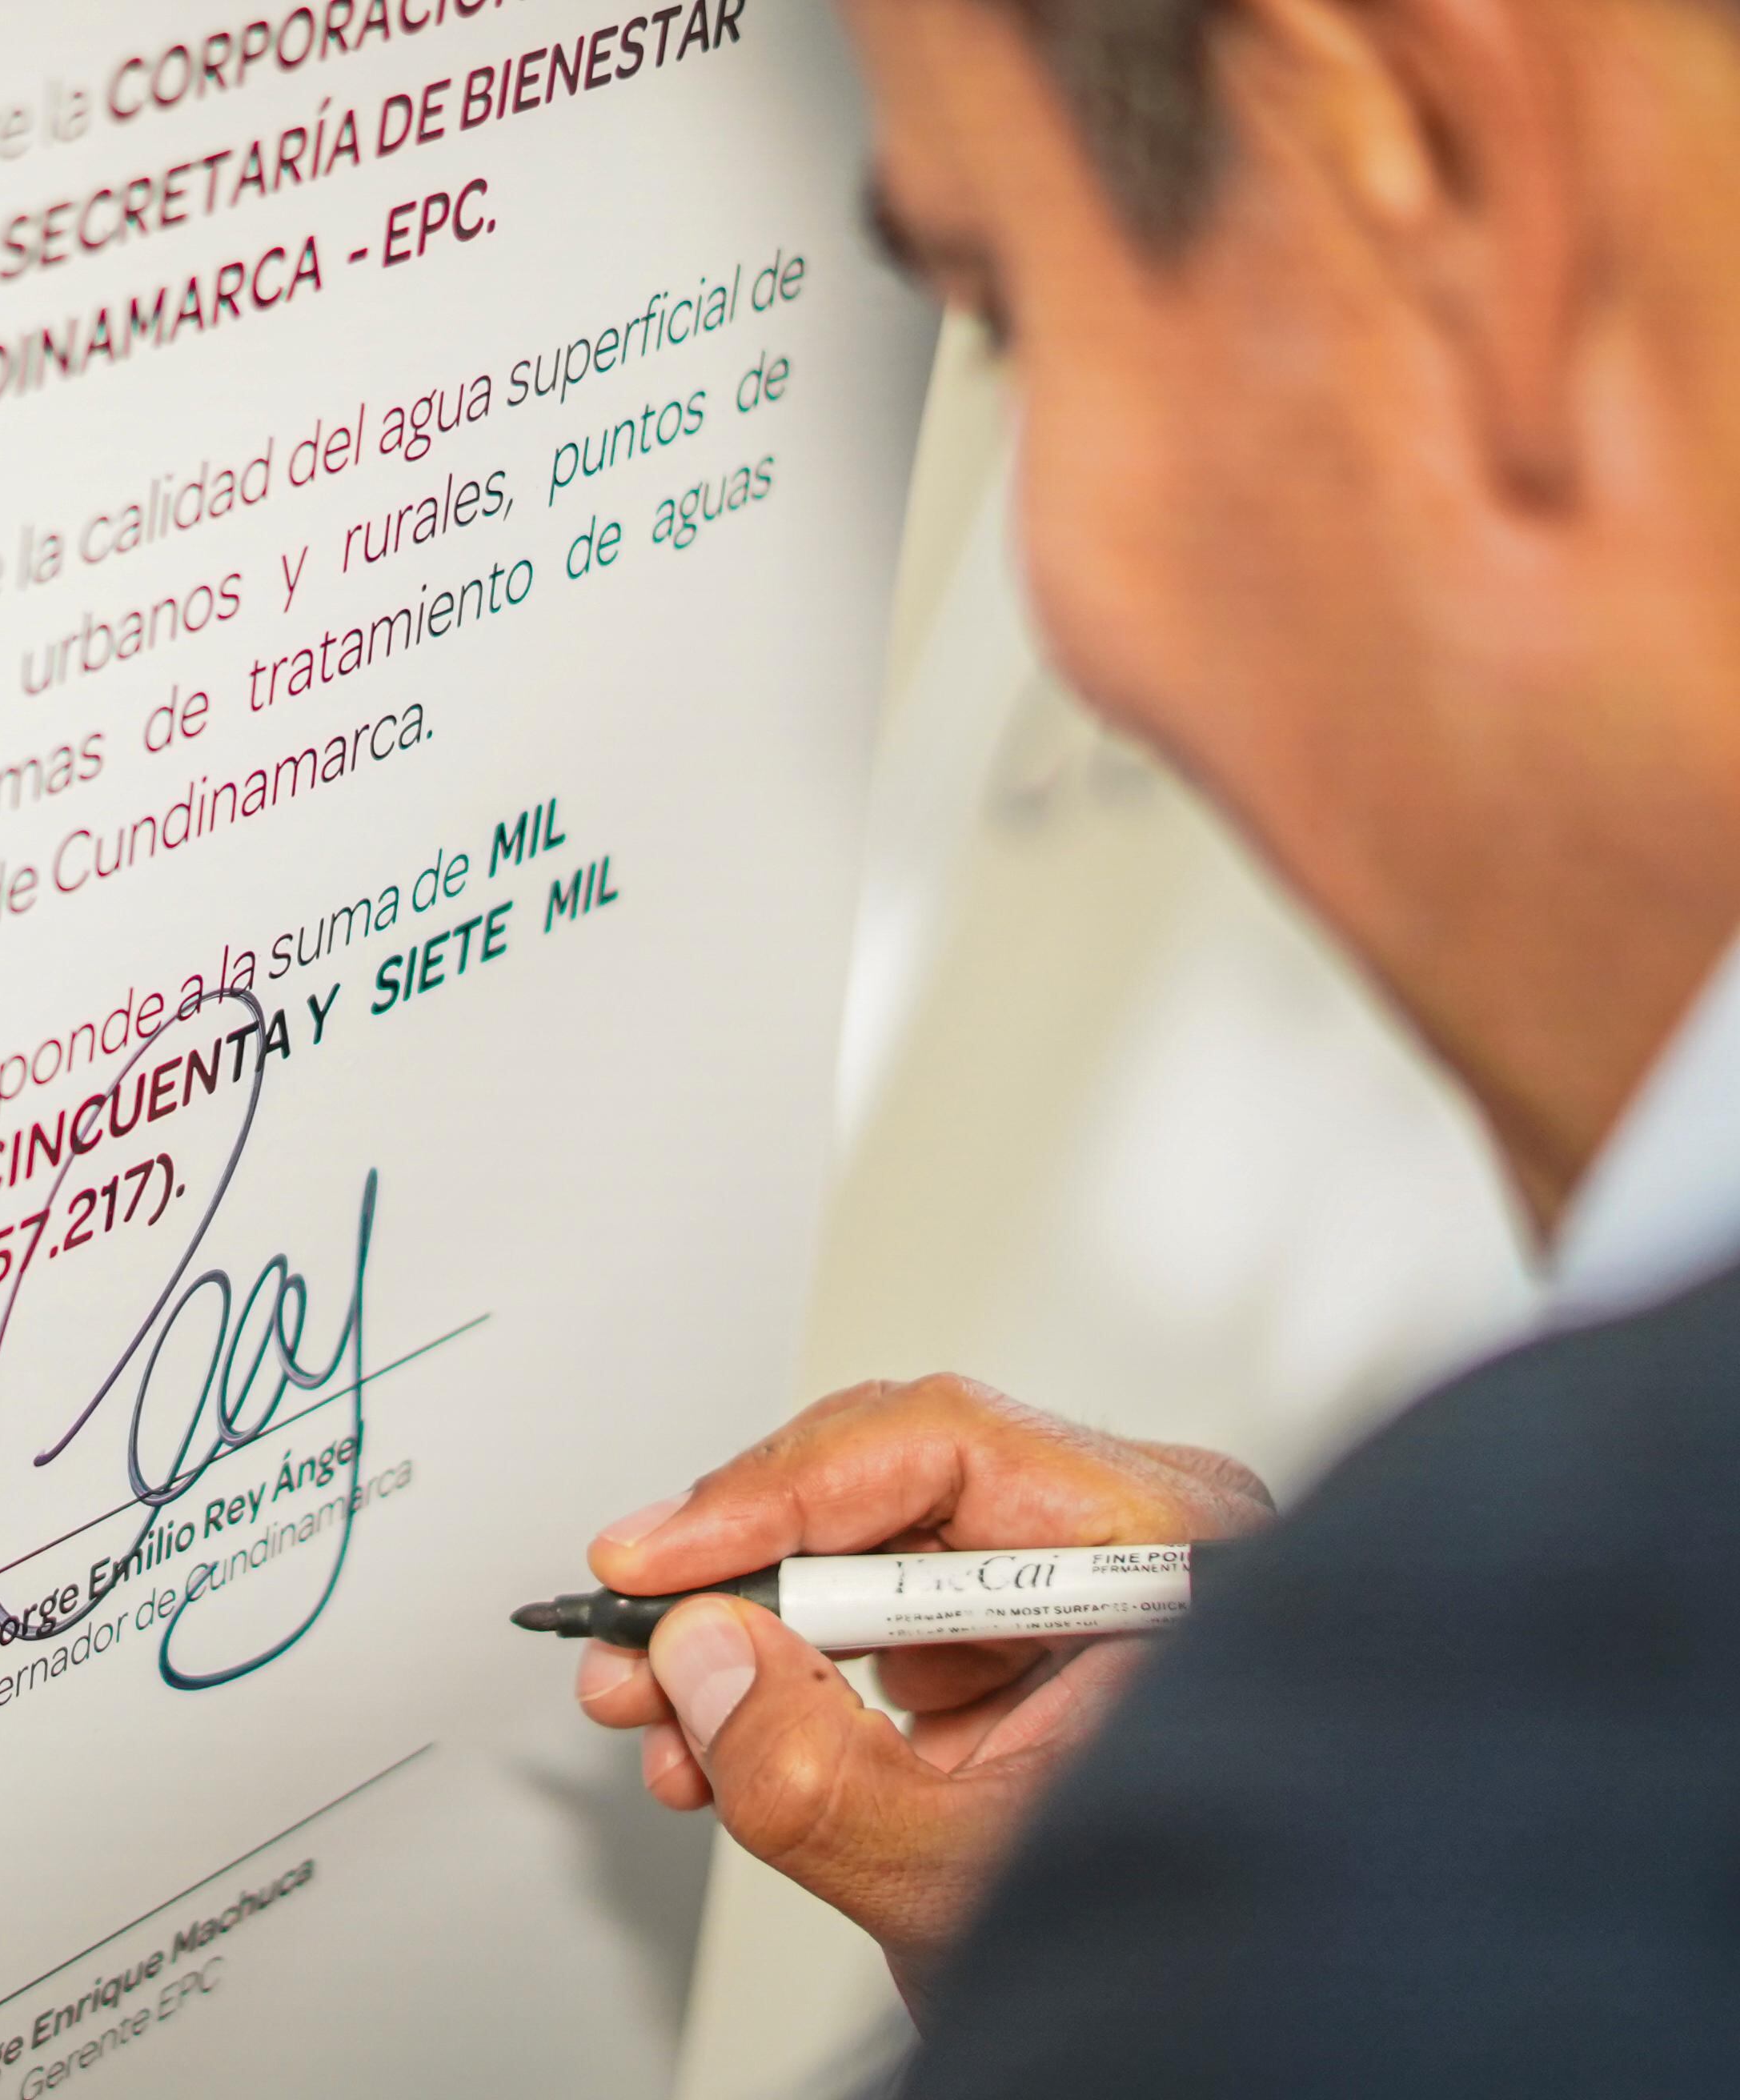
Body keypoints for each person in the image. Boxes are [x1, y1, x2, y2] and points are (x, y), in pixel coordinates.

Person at [567, 0, 1740, 2086]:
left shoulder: (1451, 1893)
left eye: (1005, 306)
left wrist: (1327, 1860)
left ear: (1437, 155)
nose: (1060, 592)